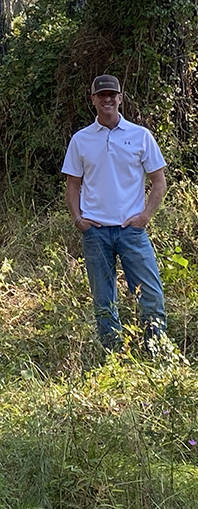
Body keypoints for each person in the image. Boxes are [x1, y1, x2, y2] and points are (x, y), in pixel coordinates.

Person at [62, 74, 167, 350]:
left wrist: (144, 217)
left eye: (112, 94)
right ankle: (113, 353)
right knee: (103, 298)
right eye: (101, 95)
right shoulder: (80, 140)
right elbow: (73, 186)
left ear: (120, 98)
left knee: (150, 293)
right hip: (95, 233)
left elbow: (159, 181)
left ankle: (156, 349)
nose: (107, 99)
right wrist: (78, 220)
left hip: (131, 231)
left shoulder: (140, 136)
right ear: (93, 99)